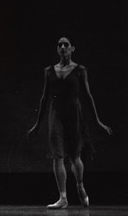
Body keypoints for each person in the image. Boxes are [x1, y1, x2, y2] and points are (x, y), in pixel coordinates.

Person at [28, 37, 112, 209]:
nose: (63, 47)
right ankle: (63, 197)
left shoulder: (80, 70)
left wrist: (98, 122)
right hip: (55, 114)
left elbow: (88, 96)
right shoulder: (49, 71)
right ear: (57, 49)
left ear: (72, 48)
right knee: (57, 155)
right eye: (60, 45)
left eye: (66, 44)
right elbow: (44, 98)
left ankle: (80, 186)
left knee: (75, 156)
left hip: (74, 115)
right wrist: (37, 124)